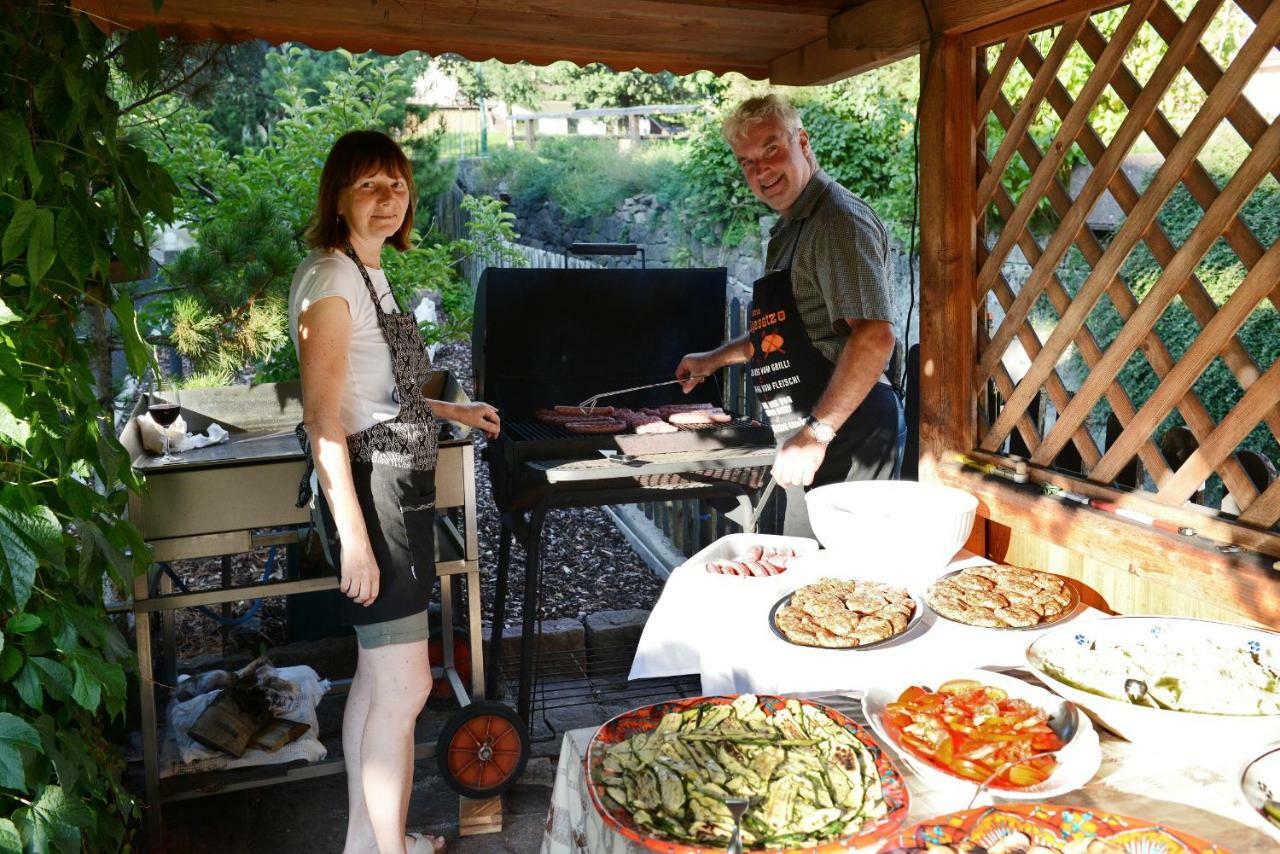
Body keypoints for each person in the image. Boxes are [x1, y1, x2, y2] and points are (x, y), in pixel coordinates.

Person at [289, 130, 500, 854]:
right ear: (339, 197)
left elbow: (373, 395)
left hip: (393, 485)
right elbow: (323, 420)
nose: (387, 200)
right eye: (370, 186)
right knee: (406, 690)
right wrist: (352, 536)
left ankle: (365, 844)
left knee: (379, 685)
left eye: (397, 185)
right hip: (370, 498)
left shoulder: (368, 271)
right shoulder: (332, 281)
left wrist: (450, 411)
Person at [676, 94, 904, 538]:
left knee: (836, 587)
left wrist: (817, 434)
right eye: (746, 162)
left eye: (771, 150)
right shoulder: (793, 226)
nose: (761, 171)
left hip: (848, 433)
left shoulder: (837, 220)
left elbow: (875, 337)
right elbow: (782, 330)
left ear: (802, 141)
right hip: (813, 432)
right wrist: (714, 358)